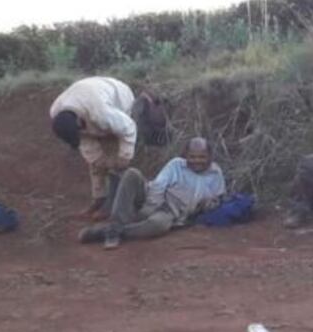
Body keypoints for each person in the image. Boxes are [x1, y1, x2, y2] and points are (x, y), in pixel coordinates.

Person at [50, 77, 169, 220]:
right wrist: (97, 159)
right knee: (96, 162)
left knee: (115, 156)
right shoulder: (56, 113)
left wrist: (124, 156)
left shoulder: (101, 113)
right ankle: (99, 199)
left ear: (78, 122)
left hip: (118, 97)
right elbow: (85, 142)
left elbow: (128, 127)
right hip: (88, 98)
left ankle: (114, 204)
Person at [78, 137, 226, 249]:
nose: (197, 161)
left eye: (202, 157)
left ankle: (109, 231)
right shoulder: (176, 164)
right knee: (131, 174)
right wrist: (149, 208)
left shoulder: (215, 173)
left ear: (210, 157)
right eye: (192, 157)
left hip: (170, 211)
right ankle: (115, 226)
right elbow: (159, 185)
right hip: (152, 197)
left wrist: (208, 205)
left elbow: (218, 198)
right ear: (185, 155)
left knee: (158, 225)